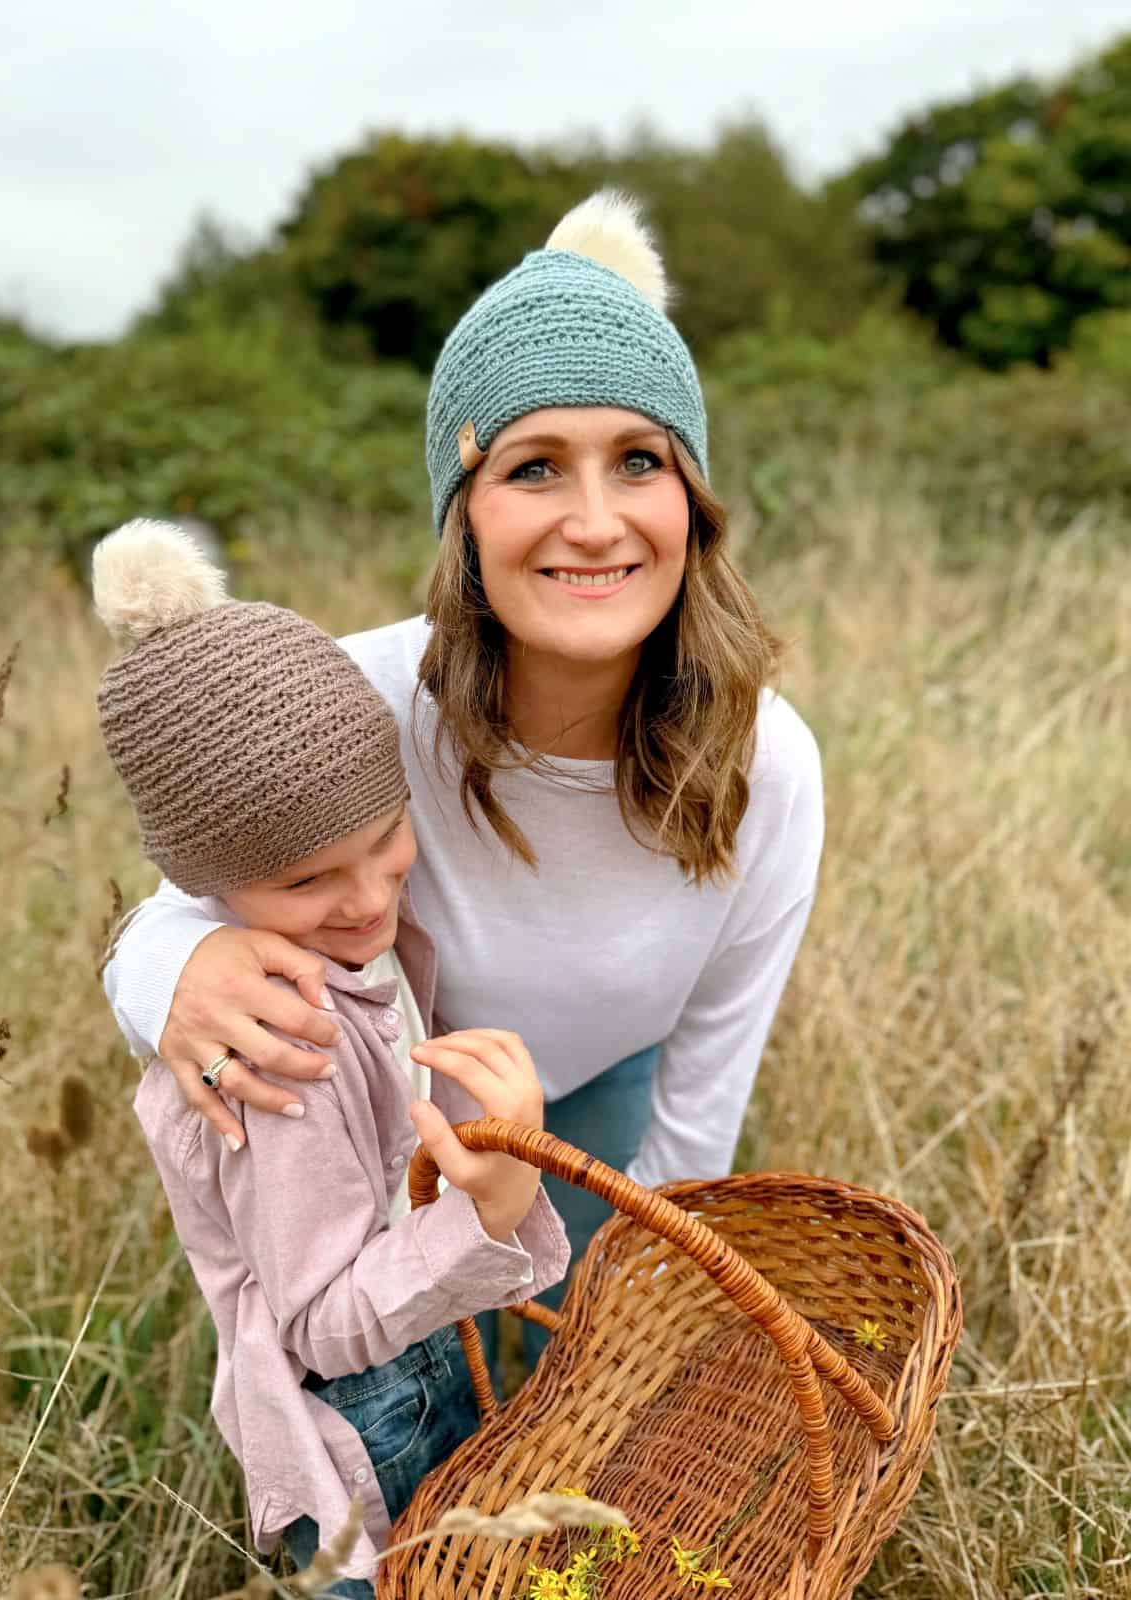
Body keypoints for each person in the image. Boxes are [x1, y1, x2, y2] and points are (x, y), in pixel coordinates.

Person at [102, 189, 824, 1385]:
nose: (595, 523)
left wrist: (626, 1319)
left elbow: (703, 1099)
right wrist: (174, 969)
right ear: (464, 516)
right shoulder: (360, 696)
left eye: (638, 461)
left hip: (601, 1101)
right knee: (388, 1436)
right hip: (379, 1106)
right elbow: (181, 895)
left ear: (689, 505)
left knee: (566, 1392)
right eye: (535, 467)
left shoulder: (767, 763)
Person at [92, 518, 570, 1596]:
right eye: (307, 881)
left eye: (386, 839)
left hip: (413, 1335)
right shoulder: (280, 1062)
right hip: (363, 1414)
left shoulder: (344, 952)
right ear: (206, 888)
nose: (365, 898)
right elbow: (323, 1322)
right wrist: (489, 1208)